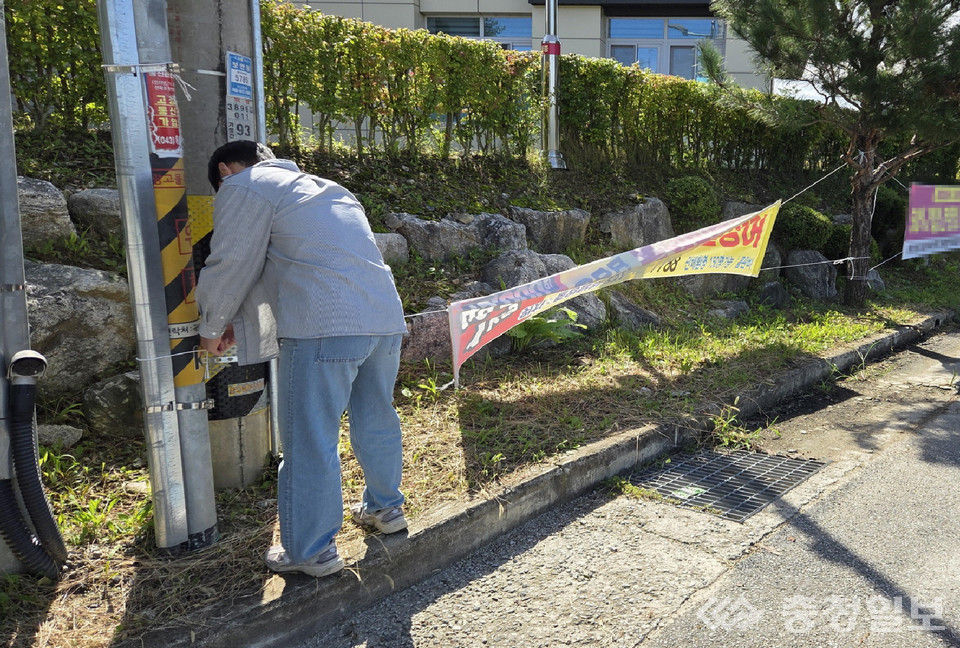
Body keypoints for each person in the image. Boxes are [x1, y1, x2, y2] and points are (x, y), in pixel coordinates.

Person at [195, 140, 408, 578]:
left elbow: (233, 261)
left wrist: (211, 327)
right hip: (383, 319)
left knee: (310, 437)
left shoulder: (243, 185)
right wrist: (238, 320)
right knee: (376, 417)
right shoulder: (323, 186)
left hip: (324, 327)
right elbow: (288, 263)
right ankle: (386, 510)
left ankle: (311, 550)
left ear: (223, 171)